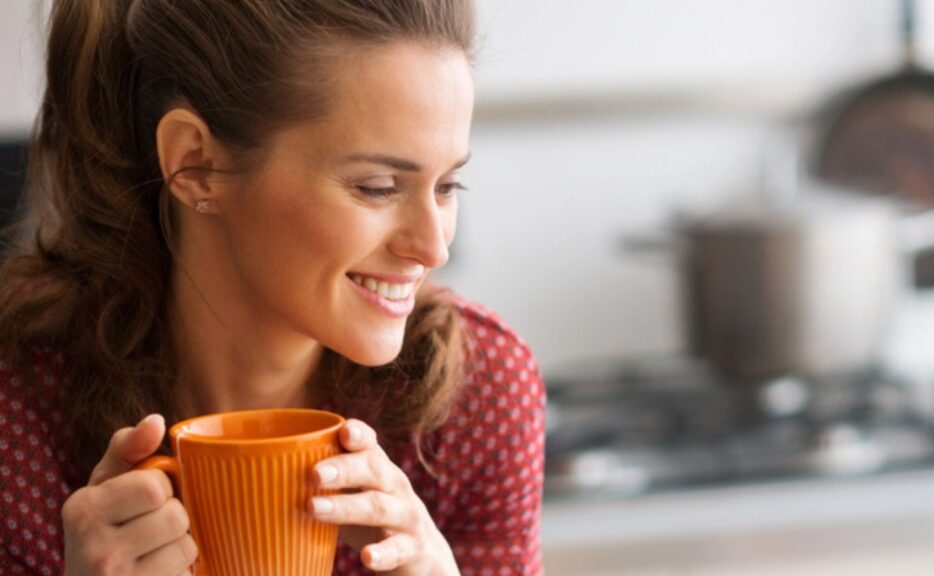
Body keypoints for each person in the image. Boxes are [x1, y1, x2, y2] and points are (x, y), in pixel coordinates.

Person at [0, 0, 546, 574]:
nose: (435, 249)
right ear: (196, 165)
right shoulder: (20, 413)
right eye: (379, 187)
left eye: (447, 185)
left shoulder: (477, 396)